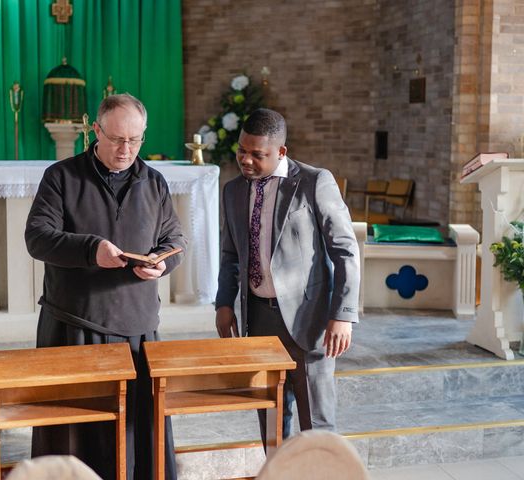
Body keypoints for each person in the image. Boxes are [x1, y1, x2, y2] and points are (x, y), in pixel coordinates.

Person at [25, 93, 186, 480]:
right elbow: (37, 237)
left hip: (137, 330)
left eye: (135, 140)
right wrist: (90, 249)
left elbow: (175, 239)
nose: (125, 149)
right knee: (74, 438)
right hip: (74, 326)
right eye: (116, 139)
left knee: (137, 435)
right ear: (95, 131)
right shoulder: (61, 177)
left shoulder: (154, 182)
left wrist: (163, 262)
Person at [215, 108, 359, 443]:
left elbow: (345, 251)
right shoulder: (233, 190)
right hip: (258, 321)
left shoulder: (314, 182)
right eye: (241, 151)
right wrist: (224, 303)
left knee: (317, 427)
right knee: (271, 422)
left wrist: (343, 315)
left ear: (281, 151)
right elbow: (230, 254)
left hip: (310, 320)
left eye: (257, 154)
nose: (246, 160)